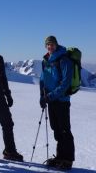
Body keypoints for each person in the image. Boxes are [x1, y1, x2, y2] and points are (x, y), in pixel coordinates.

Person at [39, 36, 75, 170]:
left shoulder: (64, 59)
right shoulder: (46, 60)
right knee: (57, 129)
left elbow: (65, 83)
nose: (50, 47)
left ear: (56, 45)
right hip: (51, 100)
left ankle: (68, 159)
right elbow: (42, 80)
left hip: (61, 101)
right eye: (48, 45)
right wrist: (42, 97)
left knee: (65, 130)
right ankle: (60, 157)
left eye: (52, 44)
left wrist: (50, 96)